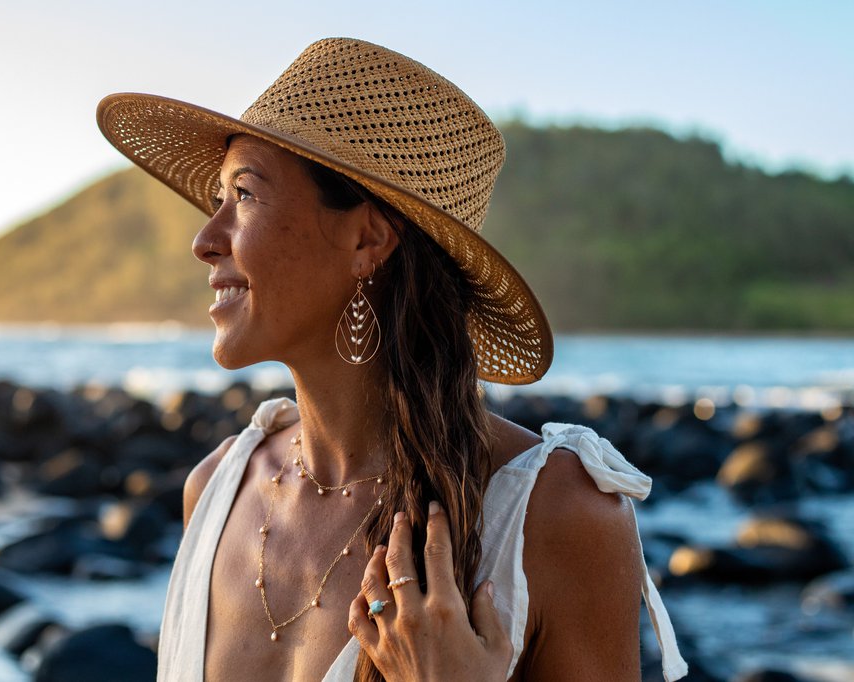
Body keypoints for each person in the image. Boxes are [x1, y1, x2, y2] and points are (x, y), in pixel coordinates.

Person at [98, 37, 687, 681]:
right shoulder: (214, 491)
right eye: (217, 200)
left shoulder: (555, 512)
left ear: (367, 238)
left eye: (243, 194)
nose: (206, 240)